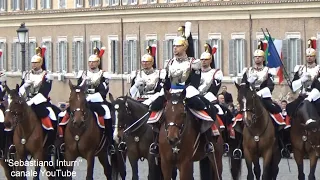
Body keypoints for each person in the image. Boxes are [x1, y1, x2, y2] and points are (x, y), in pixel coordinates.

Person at [146, 22, 217, 155]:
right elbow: (166, 80)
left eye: (178, 46)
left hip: (186, 92)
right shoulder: (169, 63)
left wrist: (185, 92)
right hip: (171, 92)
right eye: (174, 46)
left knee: (205, 109)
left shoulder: (193, 63)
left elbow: (195, 82)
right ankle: (155, 142)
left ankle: (207, 142)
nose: (175, 48)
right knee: (153, 109)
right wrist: (164, 91)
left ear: (184, 47)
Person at [59, 47, 114, 152]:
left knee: (106, 113)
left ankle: (110, 142)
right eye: (90, 62)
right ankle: (62, 141)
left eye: (94, 62)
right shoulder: (83, 74)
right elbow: (78, 88)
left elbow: (103, 91)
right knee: (64, 115)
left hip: (97, 101)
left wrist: (89, 97)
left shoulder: (103, 75)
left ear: (98, 63)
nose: (91, 64)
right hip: (82, 101)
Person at [18, 46, 59, 149]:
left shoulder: (46, 75)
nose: (33, 65)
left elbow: (45, 91)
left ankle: (50, 142)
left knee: (52, 117)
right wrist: (24, 86)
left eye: (36, 63)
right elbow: (20, 90)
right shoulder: (26, 75)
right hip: (26, 102)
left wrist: (32, 101)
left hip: (40, 102)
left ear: (40, 63)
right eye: (32, 63)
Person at [238, 40, 285, 127]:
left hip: (263, 98)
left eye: (259, 57)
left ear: (263, 58)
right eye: (255, 57)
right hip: (249, 99)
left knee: (276, 113)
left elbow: (270, 86)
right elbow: (243, 86)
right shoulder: (248, 71)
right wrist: (248, 83)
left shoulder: (268, 70)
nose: (257, 58)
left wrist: (257, 94)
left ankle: (279, 136)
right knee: (238, 118)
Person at [287, 37, 320, 129]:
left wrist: (310, 97)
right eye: (308, 56)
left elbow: (319, 86)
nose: (309, 58)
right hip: (302, 95)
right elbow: (293, 86)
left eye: (311, 56)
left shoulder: (318, 69)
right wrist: (302, 80)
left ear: (314, 57)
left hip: (316, 97)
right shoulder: (300, 69)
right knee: (290, 109)